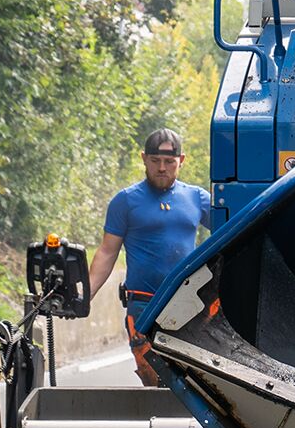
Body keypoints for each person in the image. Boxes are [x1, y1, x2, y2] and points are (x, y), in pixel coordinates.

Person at [87, 129, 213, 387]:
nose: (162, 168)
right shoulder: (125, 202)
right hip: (143, 307)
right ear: (144, 159)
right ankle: (160, 425)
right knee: (154, 378)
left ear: (182, 161)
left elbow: (231, 233)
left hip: (186, 303)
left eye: (169, 162)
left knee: (193, 384)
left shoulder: (197, 198)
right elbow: (107, 252)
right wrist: (84, 294)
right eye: (155, 161)